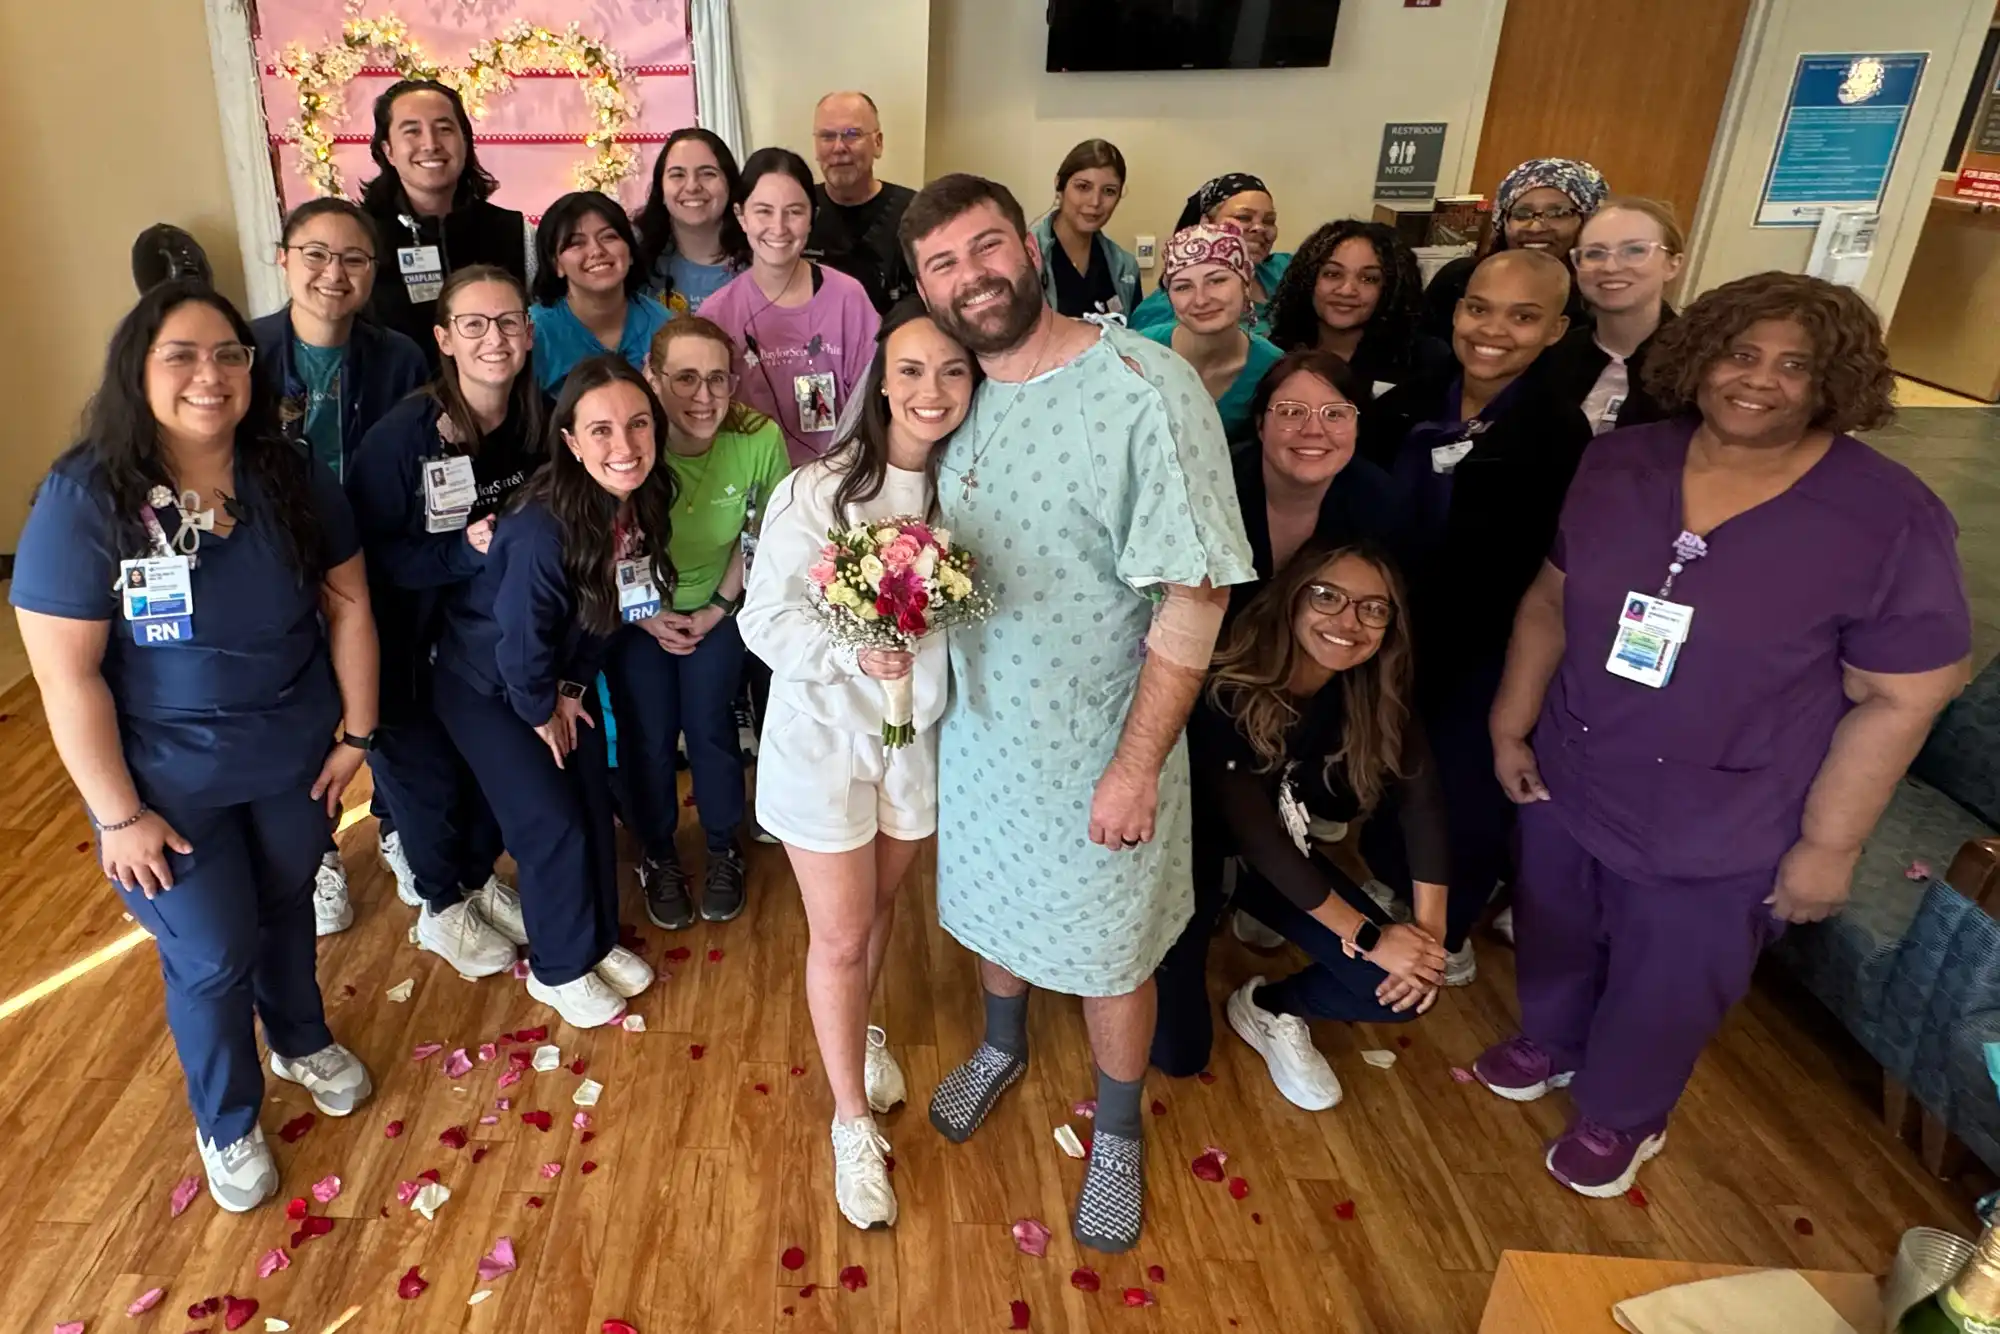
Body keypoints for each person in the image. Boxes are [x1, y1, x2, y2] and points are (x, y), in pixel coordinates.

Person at [1476, 271, 1971, 1197]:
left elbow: (1902, 698)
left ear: (1834, 383)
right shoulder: (1623, 463)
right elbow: (1549, 601)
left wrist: (1829, 847)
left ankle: (1623, 1112)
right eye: (1742, 353)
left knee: (1672, 974)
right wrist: (1512, 723)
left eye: (1795, 365)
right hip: (1573, 764)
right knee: (1555, 919)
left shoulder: (1888, 518)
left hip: (1726, 810)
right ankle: (1553, 1037)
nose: (1759, 380)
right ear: (1700, 358)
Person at [901, 174, 1254, 1253]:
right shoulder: (956, 393)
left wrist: (1136, 765)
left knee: (1111, 953)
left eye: (985, 247)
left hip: (1103, 746)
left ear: (1028, 245)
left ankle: (1117, 1127)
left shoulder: (1142, 388)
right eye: (942, 265)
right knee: (988, 909)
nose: (971, 278)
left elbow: (1195, 593)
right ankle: (1002, 1044)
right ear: (924, 288)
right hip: (981, 735)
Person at [11, 280, 378, 1211]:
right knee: (212, 949)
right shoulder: (86, 496)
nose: (209, 375)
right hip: (165, 785)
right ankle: (227, 1117)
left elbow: (349, 608)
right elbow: (67, 677)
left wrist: (359, 734)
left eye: (228, 354)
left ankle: (299, 1039)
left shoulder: (288, 476)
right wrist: (117, 816)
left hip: (293, 757)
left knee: (285, 905)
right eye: (180, 354)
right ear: (137, 370)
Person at [739, 299, 977, 1230]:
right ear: (881, 381)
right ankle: (848, 1121)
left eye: (953, 371)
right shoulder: (820, 490)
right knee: (838, 935)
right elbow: (765, 618)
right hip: (825, 745)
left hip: (915, 746)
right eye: (912, 370)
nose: (932, 390)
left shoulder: (969, 490)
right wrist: (851, 649)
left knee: (878, 911)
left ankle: (862, 1027)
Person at [1152, 542, 1448, 1105]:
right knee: (1179, 1055)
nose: (1349, 622)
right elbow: (1256, 837)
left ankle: (1268, 1006)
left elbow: (1423, 802)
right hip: (1186, 862)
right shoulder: (1227, 684)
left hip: (1278, 862)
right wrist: (1371, 937)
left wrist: (1428, 943)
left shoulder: (1371, 690)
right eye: (1328, 597)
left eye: (1373, 608)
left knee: (1406, 991)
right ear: (1292, 598)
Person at [1371, 249, 1590, 984]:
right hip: (1396, 628)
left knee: (1464, 780)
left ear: (1555, 330)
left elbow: (1548, 571)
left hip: (1488, 641)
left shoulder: (1559, 434)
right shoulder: (1410, 401)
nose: (1493, 331)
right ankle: (1392, 875)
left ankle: (1452, 919)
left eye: (1523, 317)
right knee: (1394, 758)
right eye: (1479, 309)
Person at [430, 356, 668, 1028]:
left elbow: (609, 610)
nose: (624, 446)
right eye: (601, 431)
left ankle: (594, 940)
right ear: (571, 441)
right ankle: (558, 969)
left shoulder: (643, 499)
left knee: (590, 800)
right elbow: (519, 639)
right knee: (550, 822)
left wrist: (570, 689)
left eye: (638, 424)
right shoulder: (540, 527)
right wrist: (541, 708)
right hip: (487, 686)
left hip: (553, 678)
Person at [346, 265, 544, 978]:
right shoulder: (402, 438)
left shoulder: (539, 421)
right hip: (404, 645)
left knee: (482, 775)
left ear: (528, 333)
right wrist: (463, 551)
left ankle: (476, 878)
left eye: (508, 322)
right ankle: (441, 904)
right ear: (445, 339)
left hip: (488, 646)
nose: (495, 338)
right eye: (474, 324)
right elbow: (364, 560)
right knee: (424, 783)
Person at [251, 196, 428, 932]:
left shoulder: (399, 357)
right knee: (300, 705)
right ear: (284, 259)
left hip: (373, 551)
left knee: (382, 694)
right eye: (317, 254)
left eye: (353, 258)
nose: (334, 272)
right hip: (278, 559)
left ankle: (396, 825)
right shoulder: (246, 351)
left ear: (374, 271)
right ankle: (316, 851)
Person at [613, 316, 791, 929]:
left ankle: (723, 848)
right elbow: (606, 542)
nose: (704, 396)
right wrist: (647, 617)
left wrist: (717, 607)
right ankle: (658, 853)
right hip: (636, 608)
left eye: (718, 379)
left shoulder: (757, 438)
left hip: (722, 602)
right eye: (685, 378)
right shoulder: (632, 440)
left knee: (711, 724)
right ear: (652, 378)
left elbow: (759, 536)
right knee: (648, 733)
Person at [704, 148, 881, 467]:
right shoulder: (717, 315)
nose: (779, 227)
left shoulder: (848, 298)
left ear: (813, 217)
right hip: (751, 480)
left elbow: (874, 401)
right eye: (764, 211)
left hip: (838, 476)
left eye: (794, 212)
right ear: (741, 216)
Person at [361, 78, 533, 369]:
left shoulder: (516, 232)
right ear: (388, 150)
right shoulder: (361, 239)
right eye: (412, 131)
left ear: (465, 141)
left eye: (444, 129)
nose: (430, 144)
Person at [1264, 219, 1452, 460]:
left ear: (1391, 288)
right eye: (1332, 274)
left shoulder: (1425, 358)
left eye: (1368, 279)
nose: (1346, 290)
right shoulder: (1276, 353)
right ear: (1308, 281)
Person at [1540, 197, 1686, 436]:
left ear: (1673, 265)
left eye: (1635, 250)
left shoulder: (1698, 365)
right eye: (1594, 253)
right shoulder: (1549, 356)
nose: (1610, 267)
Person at [1421, 158, 1606, 341]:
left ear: (1587, 221)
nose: (1535, 228)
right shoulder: (1459, 278)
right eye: (1521, 214)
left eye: (1558, 214)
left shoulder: (1601, 294)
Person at [1138, 223, 1283, 443]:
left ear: (1246, 286)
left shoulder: (1273, 369)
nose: (1201, 300)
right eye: (1183, 287)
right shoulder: (1138, 353)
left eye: (1217, 281)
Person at [529, 191, 672, 393]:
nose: (596, 251)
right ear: (556, 265)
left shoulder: (665, 327)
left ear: (630, 252)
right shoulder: (533, 333)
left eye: (609, 237)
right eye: (576, 243)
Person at [1130, 173, 1290, 336]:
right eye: (1243, 217)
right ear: (1206, 223)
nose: (1260, 228)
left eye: (1269, 221)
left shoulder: (1284, 269)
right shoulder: (1164, 310)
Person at [805, 91, 917, 313]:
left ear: (878, 143)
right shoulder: (798, 211)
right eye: (827, 136)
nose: (839, 147)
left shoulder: (914, 213)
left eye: (852, 134)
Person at [635, 127, 751, 316]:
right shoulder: (635, 259)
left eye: (707, 173)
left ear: (730, 185)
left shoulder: (761, 258)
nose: (692, 187)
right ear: (661, 189)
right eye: (677, 175)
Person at [1030, 139, 1142, 320]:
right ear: (1059, 186)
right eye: (1083, 187)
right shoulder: (1026, 257)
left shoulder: (1125, 267)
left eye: (1109, 191)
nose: (1095, 202)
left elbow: (1134, 334)